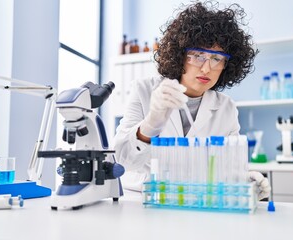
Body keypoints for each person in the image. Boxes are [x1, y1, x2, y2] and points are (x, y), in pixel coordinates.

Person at [113, 1, 271, 200]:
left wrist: (246, 182)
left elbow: (229, 170)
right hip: (141, 201)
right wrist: (150, 125)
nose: (206, 68)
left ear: (226, 65)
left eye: (216, 59)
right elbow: (121, 159)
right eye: (197, 55)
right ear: (180, 55)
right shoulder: (144, 90)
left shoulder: (226, 108)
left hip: (196, 202)